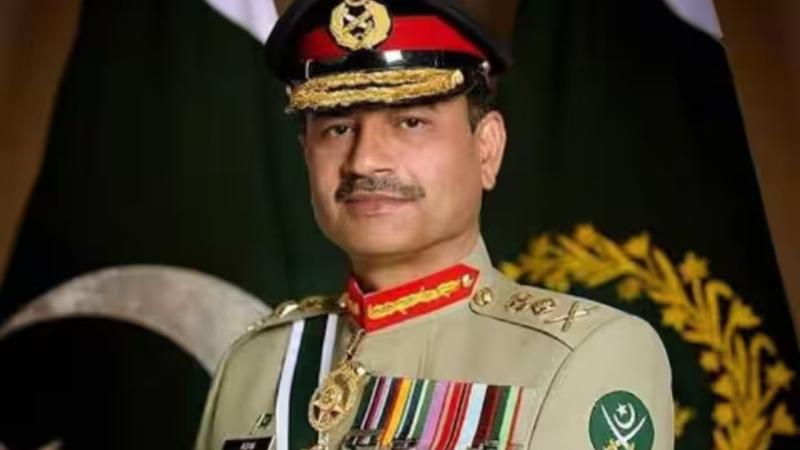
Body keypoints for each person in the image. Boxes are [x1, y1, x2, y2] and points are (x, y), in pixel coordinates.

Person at [195, 0, 673, 449]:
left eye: (411, 122)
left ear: (486, 148)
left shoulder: (586, 354)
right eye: (338, 128)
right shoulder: (254, 363)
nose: (364, 160)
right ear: (306, 154)